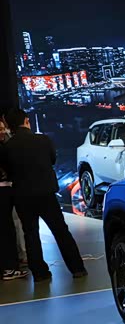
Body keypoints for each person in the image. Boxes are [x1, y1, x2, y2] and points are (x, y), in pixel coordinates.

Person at [0, 108, 86, 282]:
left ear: (8, 125)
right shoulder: (43, 140)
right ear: (26, 121)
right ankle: (77, 268)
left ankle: (40, 273)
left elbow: (7, 170)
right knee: (61, 231)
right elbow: (52, 159)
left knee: (30, 233)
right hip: (46, 192)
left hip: (22, 195)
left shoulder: (7, 147)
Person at [0, 113, 27, 280]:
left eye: (3, 129)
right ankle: (9, 268)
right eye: (0, 129)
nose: (3, 132)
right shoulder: (4, 148)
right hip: (3, 191)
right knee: (7, 229)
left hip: (6, 190)